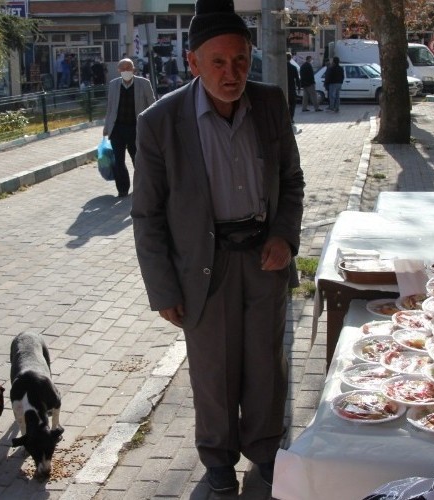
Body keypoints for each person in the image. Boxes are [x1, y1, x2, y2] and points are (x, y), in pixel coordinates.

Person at [131, 0, 305, 493]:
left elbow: (291, 181)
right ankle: (219, 463)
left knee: (267, 366)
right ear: (193, 63)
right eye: (219, 63)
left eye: (241, 61)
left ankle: (267, 453)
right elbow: (146, 214)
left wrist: (285, 237)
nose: (232, 74)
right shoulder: (160, 123)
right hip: (203, 270)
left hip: (264, 259)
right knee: (214, 373)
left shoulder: (270, 104)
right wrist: (163, 288)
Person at [102, 58, 156, 197]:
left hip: (136, 128)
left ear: (134, 70)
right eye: (123, 68)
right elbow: (110, 107)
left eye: (129, 68)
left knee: (137, 159)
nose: (126, 71)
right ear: (119, 70)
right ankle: (122, 189)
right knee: (119, 161)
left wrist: (152, 127)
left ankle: (142, 187)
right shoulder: (114, 84)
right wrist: (106, 126)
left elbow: (152, 105)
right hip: (117, 128)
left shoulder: (144, 83)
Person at [286, 53, 300, 123]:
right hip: (291, 88)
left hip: (283, 88)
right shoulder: (293, 68)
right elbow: (297, 79)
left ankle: (285, 118)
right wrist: (299, 88)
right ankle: (291, 118)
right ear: (291, 58)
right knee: (292, 104)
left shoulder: (280, 67)